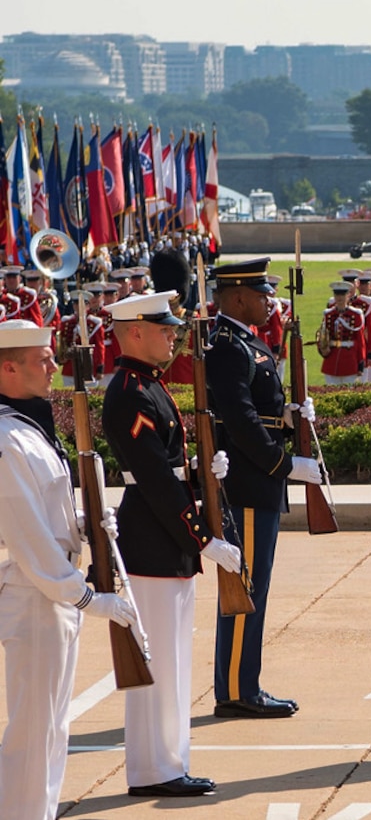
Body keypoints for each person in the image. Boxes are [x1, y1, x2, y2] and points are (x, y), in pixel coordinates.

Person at [102, 291, 240, 799]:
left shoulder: (148, 386)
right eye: (164, 329)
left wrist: (205, 473)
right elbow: (156, 479)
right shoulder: (131, 393)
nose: (173, 336)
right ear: (134, 331)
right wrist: (202, 538)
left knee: (174, 658)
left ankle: (168, 761)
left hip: (166, 538)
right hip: (154, 537)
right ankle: (154, 768)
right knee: (158, 660)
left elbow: (170, 466)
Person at [0, 320, 137, 819]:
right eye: (42, 358)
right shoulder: (7, 437)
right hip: (38, 595)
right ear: (8, 368)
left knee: (54, 728)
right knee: (33, 733)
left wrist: (83, 523)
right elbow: (27, 536)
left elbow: (46, 514)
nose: (54, 366)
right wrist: (85, 596)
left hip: (54, 594)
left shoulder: (30, 424)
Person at [206, 258, 323, 719]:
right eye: (261, 294)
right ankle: (236, 689)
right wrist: (284, 463)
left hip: (260, 482)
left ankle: (243, 682)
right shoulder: (226, 346)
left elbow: (262, 409)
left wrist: (291, 418)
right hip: (249, 483)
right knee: (245, 588)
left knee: (255, 586)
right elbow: (239, 421)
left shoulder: (247, 342)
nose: (269, 301)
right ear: (237, 297)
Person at [319, 281, 366, 385]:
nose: (339, 298)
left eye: (342, 294)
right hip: (332, 358)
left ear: (348, 295)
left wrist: (360, 363)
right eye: (337, 294)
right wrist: (322, 349)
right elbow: (323, 335)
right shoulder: (329, 314)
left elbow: (360, 340)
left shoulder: (356, 314)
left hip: (349, 359)